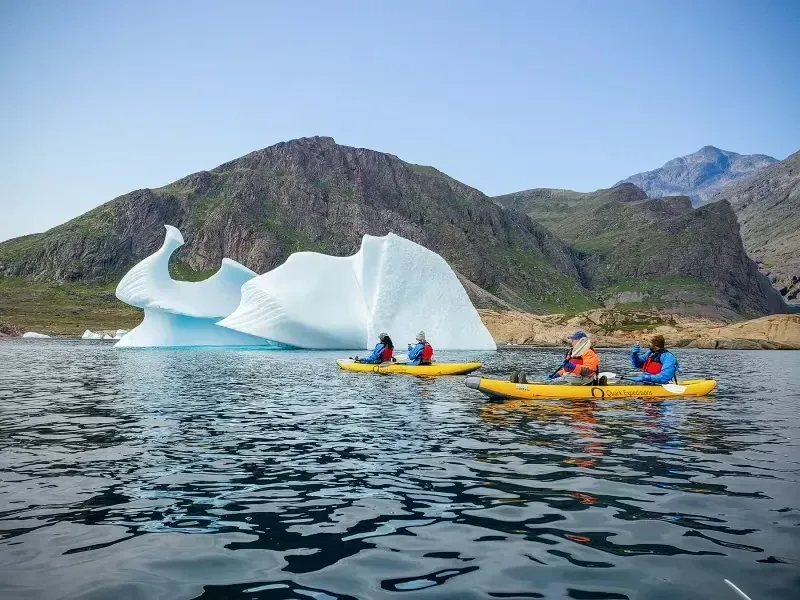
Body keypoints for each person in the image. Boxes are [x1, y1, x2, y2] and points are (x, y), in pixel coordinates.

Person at [511, 330, 599, 385]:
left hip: (583, 379)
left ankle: (527, 385)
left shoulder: (589, 352)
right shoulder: (571, 352)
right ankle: (526, 384)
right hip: (572, 377)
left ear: (581, 341)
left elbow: (589, 370)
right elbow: (566, 370)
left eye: (574, 339)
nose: (571, 341)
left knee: (554, 383)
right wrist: (555, 375)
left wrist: (572, 366)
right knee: (554, 380)